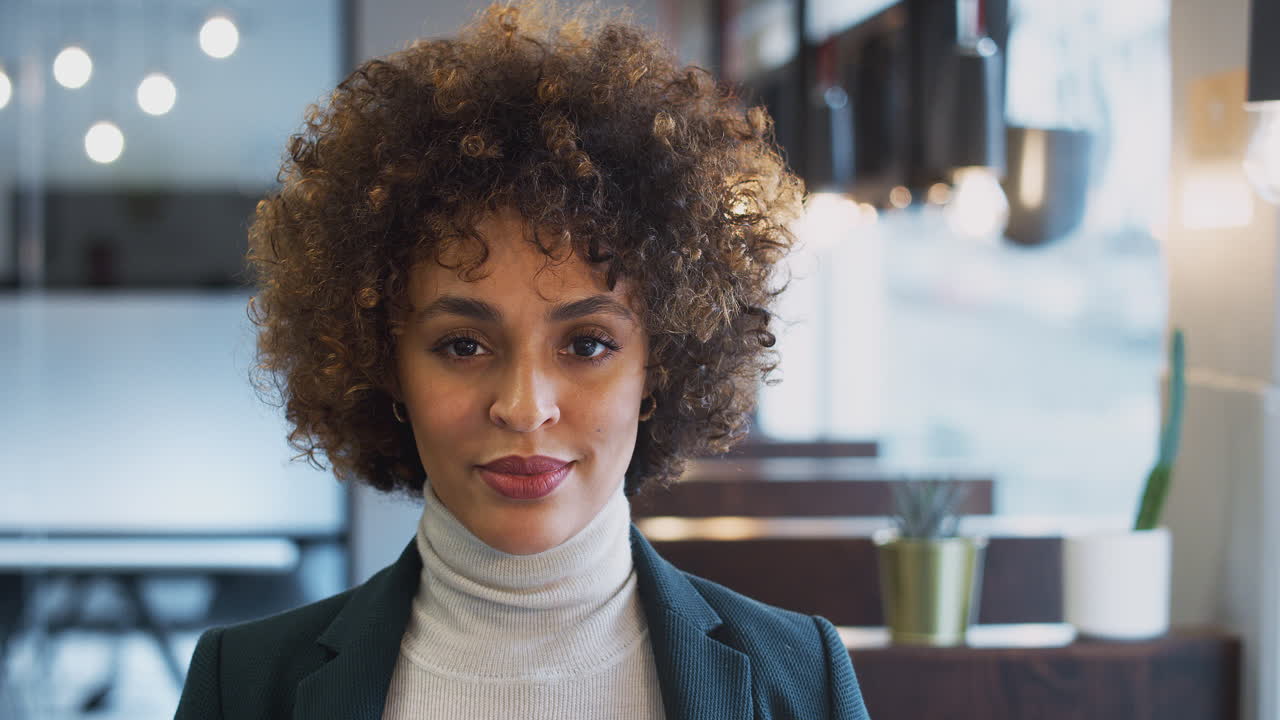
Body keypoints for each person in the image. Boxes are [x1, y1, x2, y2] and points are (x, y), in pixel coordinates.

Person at [174, 2, 870, 718]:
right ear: (385, 366)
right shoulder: (246, 686)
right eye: (463, 345)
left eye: (587, 345)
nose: (525, 405)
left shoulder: (800, 678)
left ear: (659, 363)